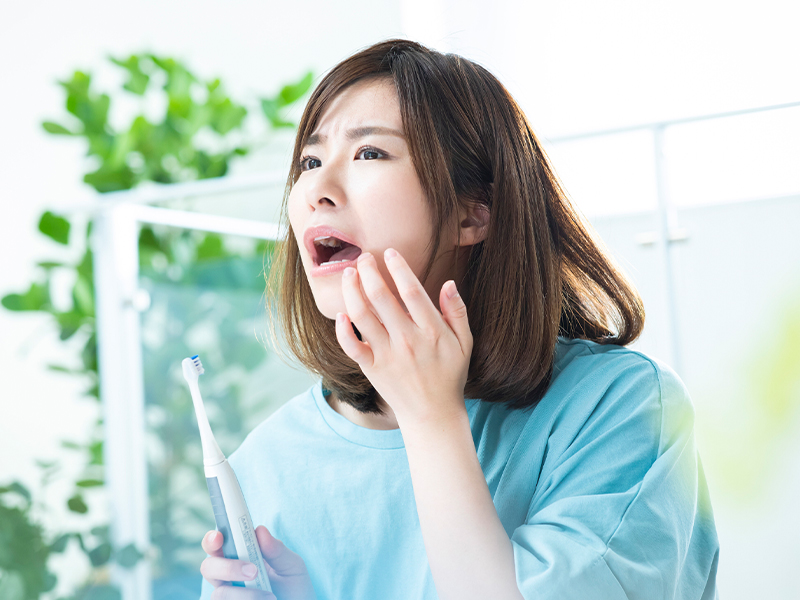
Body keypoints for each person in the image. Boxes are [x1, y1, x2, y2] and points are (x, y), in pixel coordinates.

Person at [198, 39, 719, 600]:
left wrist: (431, 416)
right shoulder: (264, 464)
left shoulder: (621, 410)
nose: (316, 192)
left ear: (473, 213)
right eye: (310, 162)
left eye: (369, 153)